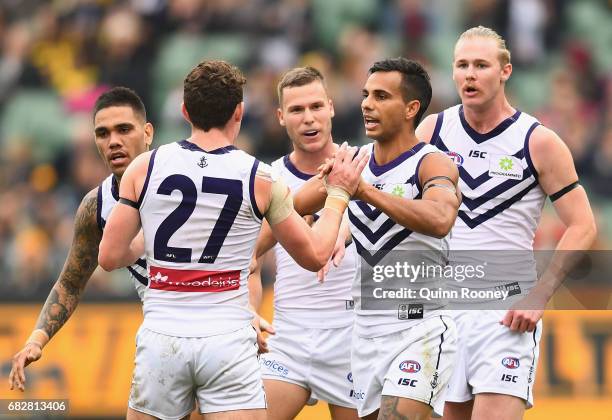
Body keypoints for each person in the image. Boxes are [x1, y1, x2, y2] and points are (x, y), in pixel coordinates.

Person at [98, 59, 368, 420]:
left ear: (184, 111)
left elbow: (111, 257)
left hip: (163, 335)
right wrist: (337, 197)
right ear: (240, 112)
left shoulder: (145, 167)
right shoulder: (260, 176)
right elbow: (317, 253)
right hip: (227, 338)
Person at [416, 26, 597, 420]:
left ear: (506, 71)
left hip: (506, 311)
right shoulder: (432, 132)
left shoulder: (538, 141)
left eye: (481, 65)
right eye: (462, 65)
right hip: (443, 309)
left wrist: (540, 295)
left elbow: (583, 225)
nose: (470, 74)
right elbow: (403, 207)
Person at [293, 57, 461, 420]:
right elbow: (288, 207)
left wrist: (364, 191)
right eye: (366, 94)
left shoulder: (432, 163)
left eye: (382, 96)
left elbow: (440, 218)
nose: (367, 104)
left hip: (421, 328)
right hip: (365, 332)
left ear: (411, 109)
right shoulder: (352, 160)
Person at [8, 86, 153, 392]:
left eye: (124, 129)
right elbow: (71, 282)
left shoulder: (187, 180)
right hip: (160, 333)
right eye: (103, 133)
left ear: (148, 133)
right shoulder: (96, 205)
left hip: (217, 326)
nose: (113, 141)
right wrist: (36, 339)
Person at [250, 66, 359, 420]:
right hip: (289, 337)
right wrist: (250, 313)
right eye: (296, 110)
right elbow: (247, 259)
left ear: (331, 107)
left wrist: (346, 228)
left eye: (315, 107)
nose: (308, 119)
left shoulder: (362, 165)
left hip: (352, 336)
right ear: (281, 117)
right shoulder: (267, 178)